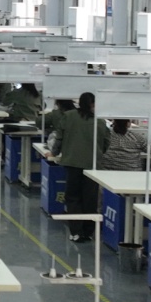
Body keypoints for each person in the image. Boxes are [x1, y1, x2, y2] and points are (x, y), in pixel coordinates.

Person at [48, 93, 107, 242]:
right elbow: (106, 143)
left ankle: (76, 231)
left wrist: (54, 153)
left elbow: (59, 138)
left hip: (72, 162)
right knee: (90, 199)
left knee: (73, 198)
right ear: (93, 104)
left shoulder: (68, 116)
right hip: (92, 165)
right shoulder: (100, 121)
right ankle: (88, 232)